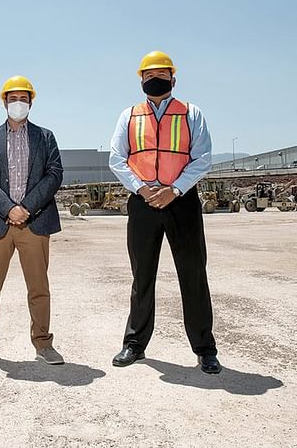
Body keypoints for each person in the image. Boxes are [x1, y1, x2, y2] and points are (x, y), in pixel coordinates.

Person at [109, 51, 221, 374]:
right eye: (148, 75)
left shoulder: (191, 113)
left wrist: (173, 190)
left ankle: (205, 348)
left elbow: (203, 158)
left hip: (181, 200)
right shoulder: (129, 116)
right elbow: (117, 158)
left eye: (161, 74)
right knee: (141, 276)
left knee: (193, 275)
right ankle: (134, 344)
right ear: (141, 80)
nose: (154, 80)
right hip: (143, 202)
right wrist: (143, 189)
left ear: (173, 78)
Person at [0, 75, 64, 368]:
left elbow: (54, 174)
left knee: (39, 287)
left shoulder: (45, 137)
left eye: (23, 99)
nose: (18, 104)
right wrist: (9, 209)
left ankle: (43, 343)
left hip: (34, 223)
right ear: (4, 102)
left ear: (30, 102)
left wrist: (26, 208)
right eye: (13, 99)